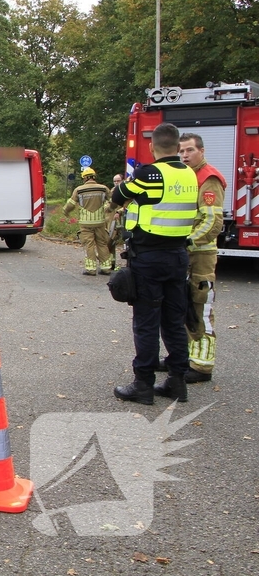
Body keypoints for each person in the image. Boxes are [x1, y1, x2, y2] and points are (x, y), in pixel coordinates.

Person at [111, 122, 197, 405]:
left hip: (149, 258)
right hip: (178, 256)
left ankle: (143, 385)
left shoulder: (149, 174)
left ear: (152, 146)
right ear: (177, 147)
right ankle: (177, 382)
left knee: (146, 322)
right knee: (174, 321)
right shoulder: (190, 175)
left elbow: (118, 196)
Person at [159, 133, 225, 383]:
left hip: (200, 254)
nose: (185, 156)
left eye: (189, 151)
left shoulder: (208, 178)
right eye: (181, 151)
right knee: (182, 307)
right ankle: (184, 357)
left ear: (202, 151)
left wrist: (186, 242)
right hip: (182, 255)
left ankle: (202, 366)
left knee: (200, 305)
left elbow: (212, 222)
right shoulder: (187, 177)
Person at [63, 167, 112, 276]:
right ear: (94, 177)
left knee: (89, 244)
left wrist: (66, 212)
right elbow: (112, 201)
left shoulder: (79, 190)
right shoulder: (103, 188)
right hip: (100, 222)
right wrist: (110, 209)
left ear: (84, 178)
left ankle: (91, 269)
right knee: (102, 243)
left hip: (85, 223)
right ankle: (106, 268)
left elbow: (71, 204)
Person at [105, 174, 126, 269]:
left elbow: (128, 205)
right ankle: (111, 263)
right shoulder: (112, 191)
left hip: (117, 220)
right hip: (107, 219)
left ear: (123, 180)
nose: (116, 183)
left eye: (118, 181)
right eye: (115, 181)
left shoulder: (125, 191)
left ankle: (104, 259)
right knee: (109, 241)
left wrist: (119, 211)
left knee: (111, 240)